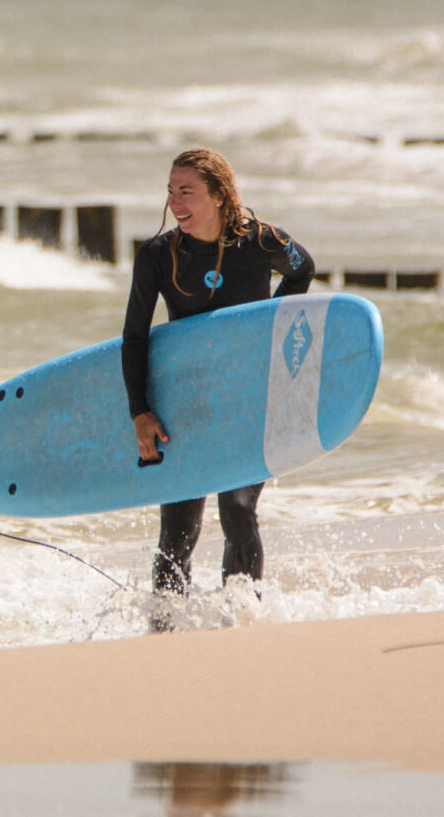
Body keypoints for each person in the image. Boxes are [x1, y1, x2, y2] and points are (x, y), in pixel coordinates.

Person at [121, 149, 316, 607]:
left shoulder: (263, 242)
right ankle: (166, 626)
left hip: (250, 399)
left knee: (238, 510)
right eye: (170, 192)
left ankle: (241, 618)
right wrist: (140, 412)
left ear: (220, 194)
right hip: (186, 403)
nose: (174, 202)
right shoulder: (158, 255)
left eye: (185, 191)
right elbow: (134, 335)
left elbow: (302, 267)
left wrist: (273, 323)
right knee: (177, 533)